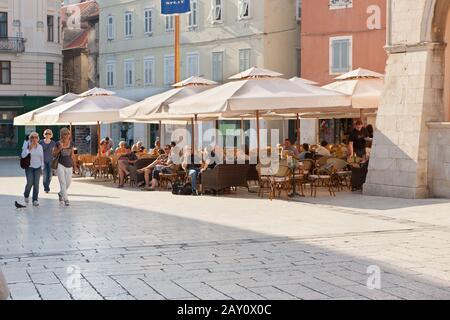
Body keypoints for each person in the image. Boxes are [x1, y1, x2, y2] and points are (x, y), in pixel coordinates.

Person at [53, 127, 75, 206]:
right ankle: (66, 199)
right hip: (60, 164)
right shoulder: (58, 143)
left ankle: (61, 193)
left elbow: (72, 155)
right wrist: (59, 149)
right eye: (65, 134)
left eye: (69, 133)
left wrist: (75, 165)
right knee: (62, 182)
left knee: (68, 182)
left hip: (69, 165)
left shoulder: (71, 143)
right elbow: (54, 154)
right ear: (62, 135)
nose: (68, 135)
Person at [21, 132, 44, 206]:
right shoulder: (27, 145)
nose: (34, 139)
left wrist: (42, 168)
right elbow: (23, 156)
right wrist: (28, 149)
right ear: (30, 139)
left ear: (38, 139)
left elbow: (42, 157)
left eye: (36, 137)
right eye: (32, 137)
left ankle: (35, 200)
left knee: (36, 184)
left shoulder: (40, 146)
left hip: (38, 167)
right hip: (29, 167)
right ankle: (26, 194)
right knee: (30, 183)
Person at [39, 129, 56, 193]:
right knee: (45, 175)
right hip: (43, 161)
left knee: (50, 175)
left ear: (51, 135)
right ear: (44, 135)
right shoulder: (41, 142)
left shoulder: (53, 143)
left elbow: (55, 153)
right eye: (46, 133)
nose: (47, 135)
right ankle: (46, 188)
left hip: (51, 161)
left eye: (49, 133)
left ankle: (47, 185)